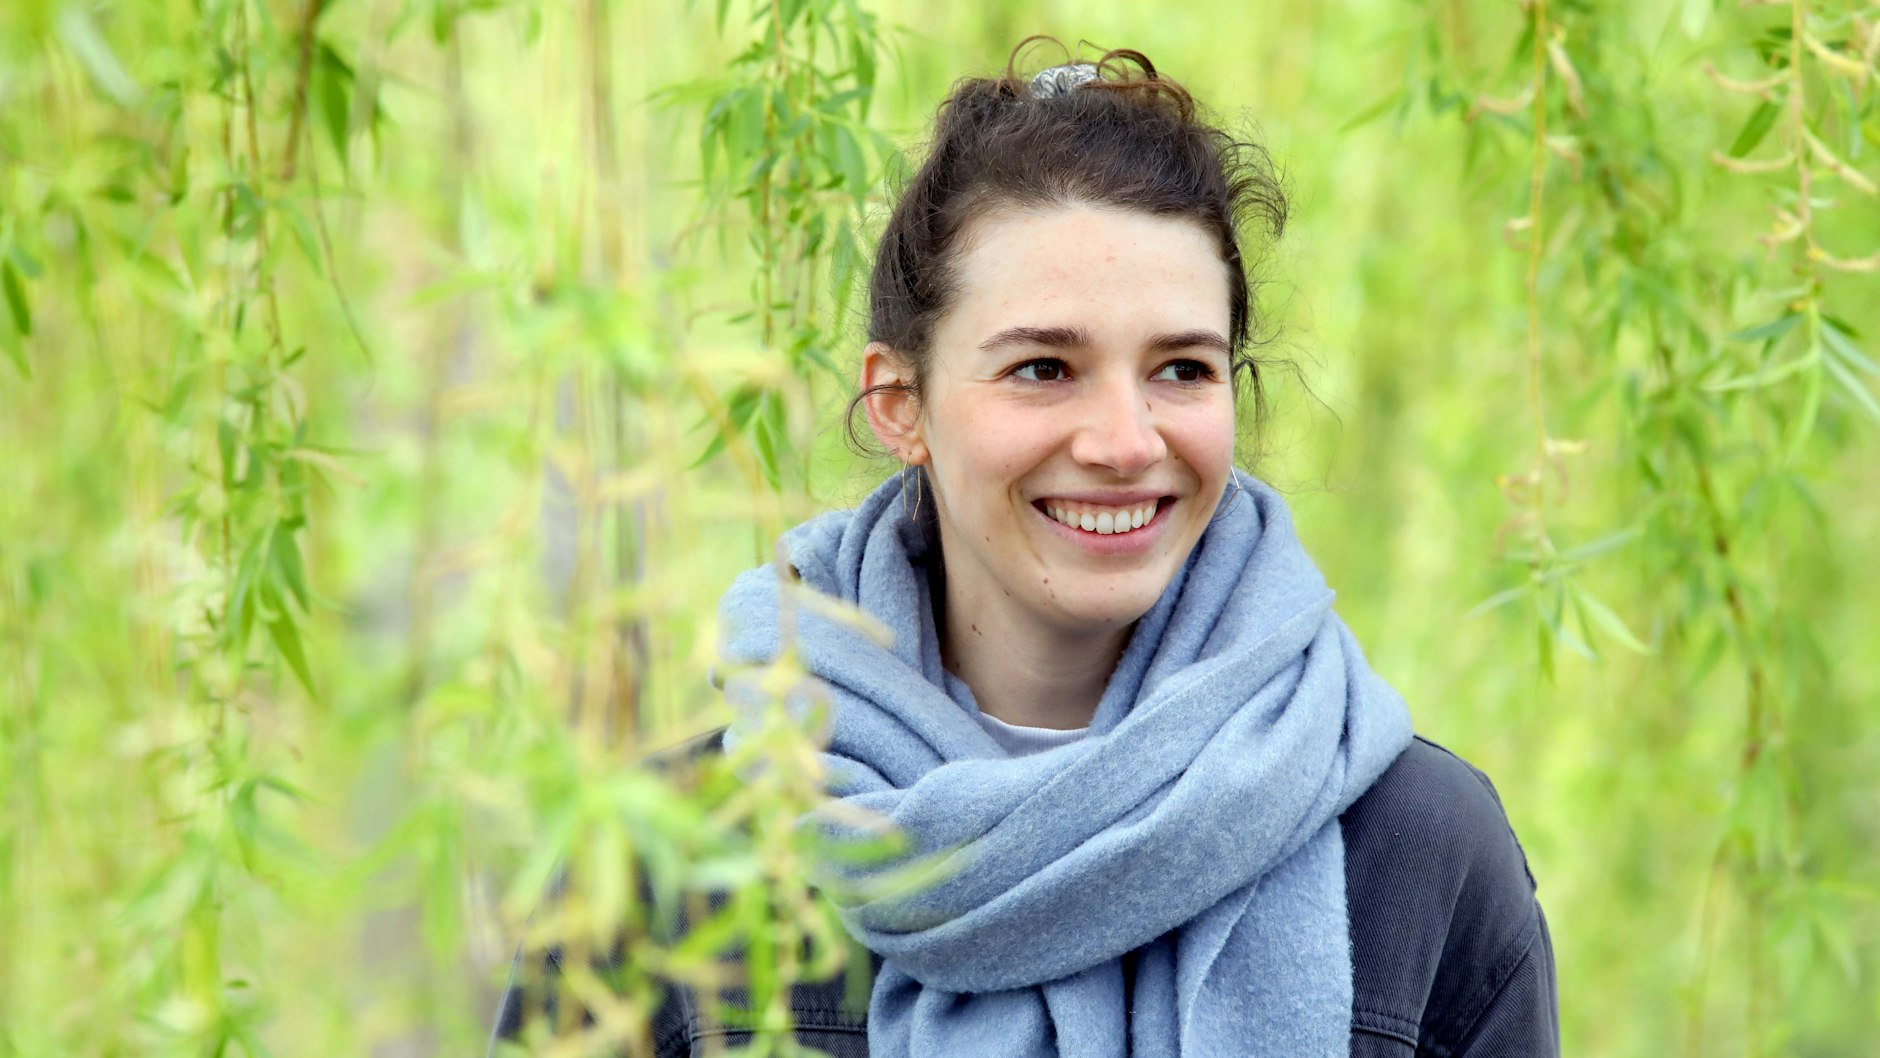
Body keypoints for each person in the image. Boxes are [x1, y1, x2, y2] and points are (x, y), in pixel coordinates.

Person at [493, 40, 1558, 1058]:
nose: (1123, 441)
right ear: (897, 401)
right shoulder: (677, 861)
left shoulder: (1417, 850)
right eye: (1044, 367)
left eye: (1180, 368)